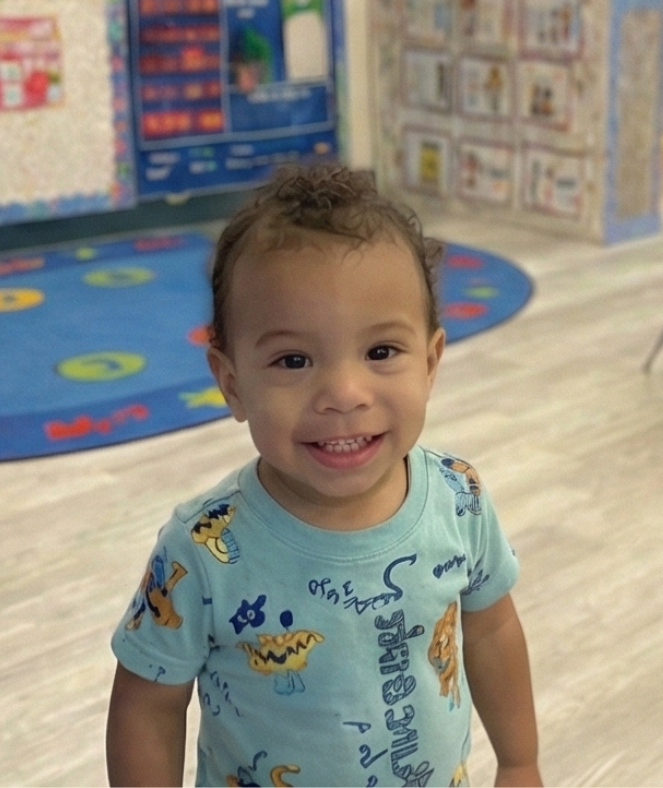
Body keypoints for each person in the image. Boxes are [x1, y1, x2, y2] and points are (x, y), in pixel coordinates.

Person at [105, 165, 542, 788]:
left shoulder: (459, 498)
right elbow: (148, 707)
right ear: (232, 384)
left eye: (381, 352)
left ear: (431, 359)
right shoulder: (203, 550)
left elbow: (492, 629)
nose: (342, 393)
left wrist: (521, 762)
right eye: (293, 359)